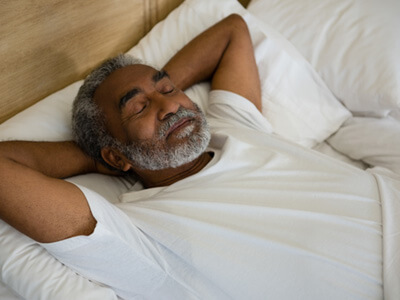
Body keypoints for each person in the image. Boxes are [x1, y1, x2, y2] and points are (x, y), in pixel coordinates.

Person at [0, 14, 385, 299]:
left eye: (168, 88)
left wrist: (156, 98)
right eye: (137, 108)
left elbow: (232, 31)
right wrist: (96, 158)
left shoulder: (233, 126)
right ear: (116, 158)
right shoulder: (140, 234)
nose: (170, 106)